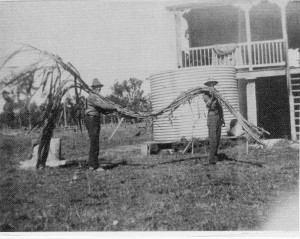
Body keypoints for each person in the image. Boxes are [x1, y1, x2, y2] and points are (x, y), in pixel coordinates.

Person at [85, 78, 117, 171]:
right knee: (94, 142)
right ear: (93, 88)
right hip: (91, 119)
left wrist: (113, 110)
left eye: (99, 87)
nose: (99, 89)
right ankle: (93, 166)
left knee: (95, 142)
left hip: (94, 119)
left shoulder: (96, 97)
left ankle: (93, 165)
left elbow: (103, 110)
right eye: (97, 87)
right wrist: (114, 107)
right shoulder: (92, 97)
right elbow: (102, 106)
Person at [202, 81, 224, 165]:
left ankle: (215, 156)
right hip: (212, 117)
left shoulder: (217, 93)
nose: (212, 86)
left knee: (217, 138)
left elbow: (220, 107)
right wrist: (213, 96)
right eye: (210, 84)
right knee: (213, 138)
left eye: (213, 84)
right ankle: (211, 159)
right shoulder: (205, 94)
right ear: (207, 85)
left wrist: (222, 119)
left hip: (218, 117)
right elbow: (210, 105)